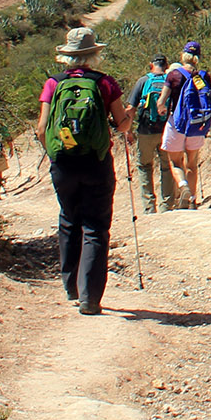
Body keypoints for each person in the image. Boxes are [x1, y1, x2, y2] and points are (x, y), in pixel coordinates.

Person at [36, 27, 134, 315]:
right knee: (95, 226)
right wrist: (129, 114)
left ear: (67, 55)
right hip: (96, 161)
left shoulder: (53, 84)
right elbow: (121, 124)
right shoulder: (104, 83)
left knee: (68, 219)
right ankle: (90, 298)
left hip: (63, 164)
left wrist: (55, 155)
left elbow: (42, 129)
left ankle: (70, 287)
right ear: (93, 54)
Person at [160, 40, 211, 209]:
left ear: (183, 55)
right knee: (192, 163)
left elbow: (162, 102)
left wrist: (162, 109)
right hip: (197, 125)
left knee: (176, 162)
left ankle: (183, 186)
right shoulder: (204, 76)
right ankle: (192, 201)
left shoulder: (173, 75)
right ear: (198, 58)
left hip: (177, 124)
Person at [130, 55, 176, 213]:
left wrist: (127, 130)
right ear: (166, 65)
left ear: (151, 65)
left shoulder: (143, 81)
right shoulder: (171, 81)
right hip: (166, 131)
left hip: (145, 131)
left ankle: (149, 207)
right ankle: (167, 205)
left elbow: (131, 108)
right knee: (167, 166)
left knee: (144, 166)